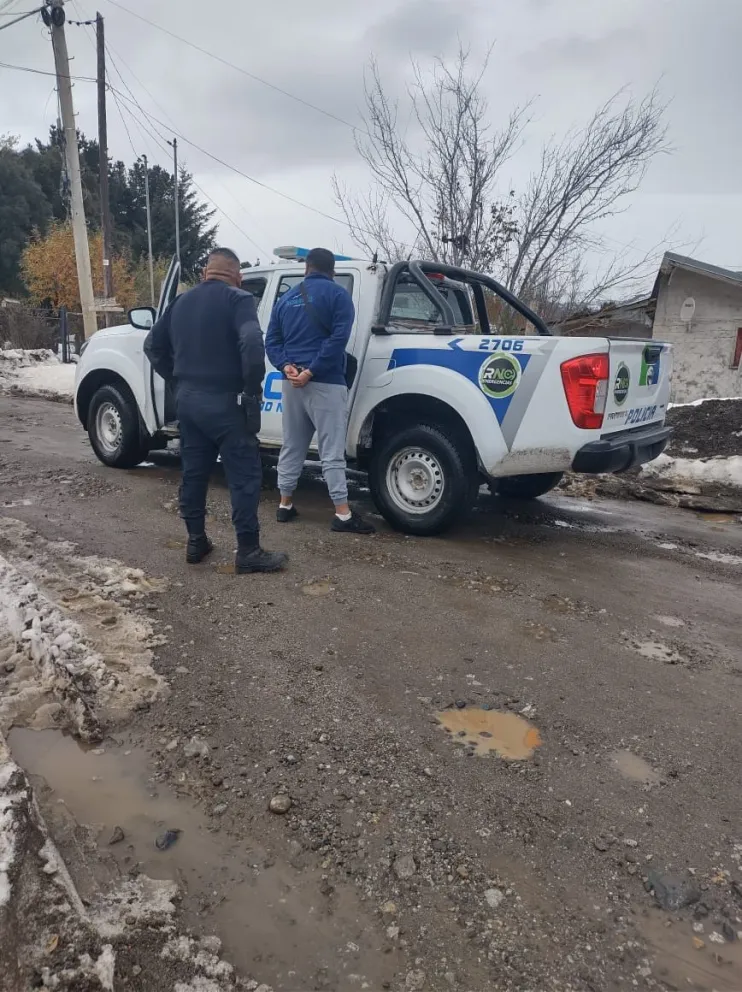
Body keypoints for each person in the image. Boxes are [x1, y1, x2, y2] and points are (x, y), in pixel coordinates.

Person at [144, 247, 287, 574]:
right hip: (227, 401)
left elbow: (152, 346)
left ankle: (196, 542)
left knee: (194, 472)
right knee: (244, 476)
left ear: (205, 273)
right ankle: (248, 551)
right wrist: (251, 387)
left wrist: (178, 381)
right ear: (237, 276)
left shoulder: (180, 302)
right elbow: (252, 342)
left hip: (189, 402)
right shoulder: (239, 300)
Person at [265, 247, 375, 534]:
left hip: (292, 385)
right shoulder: (339, 296)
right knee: (331, 450)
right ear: (332, 270)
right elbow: (338, 339)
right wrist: (311, 370)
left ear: (306, 268)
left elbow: (272, 341)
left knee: (292, 445)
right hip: (325, 382)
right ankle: (342, 514)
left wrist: (286, 366)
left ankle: (284, 504)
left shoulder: (286, 298)